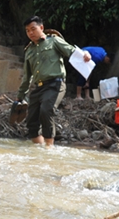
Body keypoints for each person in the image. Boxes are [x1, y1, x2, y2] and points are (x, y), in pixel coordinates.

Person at [16, 16, 91, 147]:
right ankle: (39, 149)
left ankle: (49, 149)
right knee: (31, 120)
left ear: (41, 28)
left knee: (46, 110)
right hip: (38, 88)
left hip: (55, 84)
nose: (30, 33)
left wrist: (85, 53)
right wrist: (20, 97)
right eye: (27, 31)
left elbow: (71, 51)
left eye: (33, 29)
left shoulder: (54, 41)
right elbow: (27, 77)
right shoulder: (29, 51)